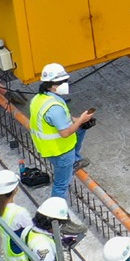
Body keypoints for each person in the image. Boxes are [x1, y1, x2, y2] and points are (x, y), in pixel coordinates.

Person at [28, 63, 92, 205]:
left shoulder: (41, 99)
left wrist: (80, 122)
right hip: (60, 151)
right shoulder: (54, 107)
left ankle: (75, 161)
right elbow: (65, 132)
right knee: (61, 185)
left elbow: (65, 119)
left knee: (81, 128)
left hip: (47, 147)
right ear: (52, 85)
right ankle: (58, 217)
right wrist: (80, 119)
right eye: (61, 82)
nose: (65, 84)